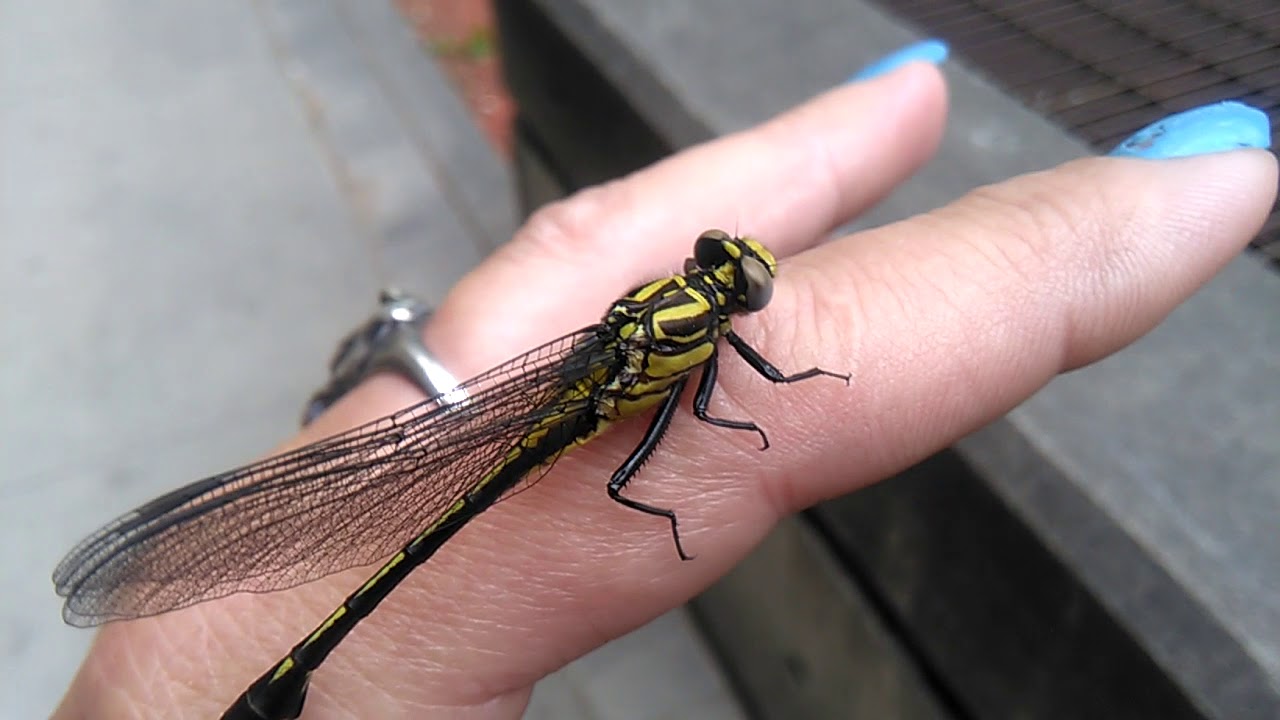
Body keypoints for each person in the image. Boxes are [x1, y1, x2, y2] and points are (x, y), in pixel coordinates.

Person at [54, 46, 1275, 718]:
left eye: (735, 279)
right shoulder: (703, 337)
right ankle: (288, 663)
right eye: (731, 276)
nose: (738, 279)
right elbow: (654, 467)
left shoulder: (662, 318)